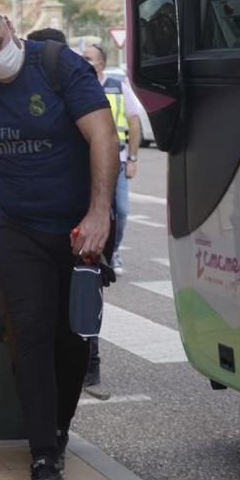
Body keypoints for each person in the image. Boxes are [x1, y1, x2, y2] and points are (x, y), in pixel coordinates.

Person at [0, 2, 118, 480]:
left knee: (73, 341)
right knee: (30, 333)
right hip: (19, 230)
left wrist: (99, 214)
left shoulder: (58, 65)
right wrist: (4, 218)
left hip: (77, 227)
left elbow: (103, 136)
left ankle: (59, 430)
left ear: (9, 27)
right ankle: (44, 459)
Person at [81, 43, 142, 388]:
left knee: (119, 209)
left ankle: (112, 248)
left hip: (115, 161)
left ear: (102, 62)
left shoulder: (119, 85)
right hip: (88, 165)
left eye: (89, 57)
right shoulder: (77, 84)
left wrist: (133, 158)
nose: (84, 62)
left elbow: (133, 122)